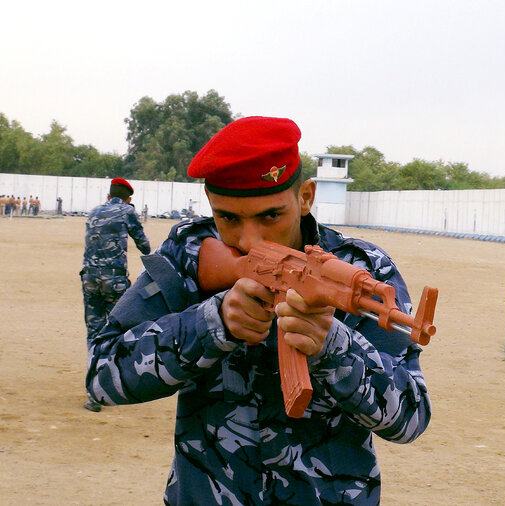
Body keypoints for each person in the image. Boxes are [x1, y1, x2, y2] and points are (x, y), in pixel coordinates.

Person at [85, 116, 431, 505]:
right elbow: (101, 374)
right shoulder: (189, 254)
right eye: (228, 218)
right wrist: (211, 324)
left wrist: (334, 345)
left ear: (305, 197)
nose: (249, 241)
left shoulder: (360, 269)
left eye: (270, 216)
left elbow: (411, 420)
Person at [81, 177, 151, 412]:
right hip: (115, 280)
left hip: (90, 278)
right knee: (118, 330)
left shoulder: (93, 212)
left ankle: (92, 393)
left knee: (94, 332)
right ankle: (119, 384)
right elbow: (144, 245)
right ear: (128, 198)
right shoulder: (127, 212)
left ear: (108, 196)